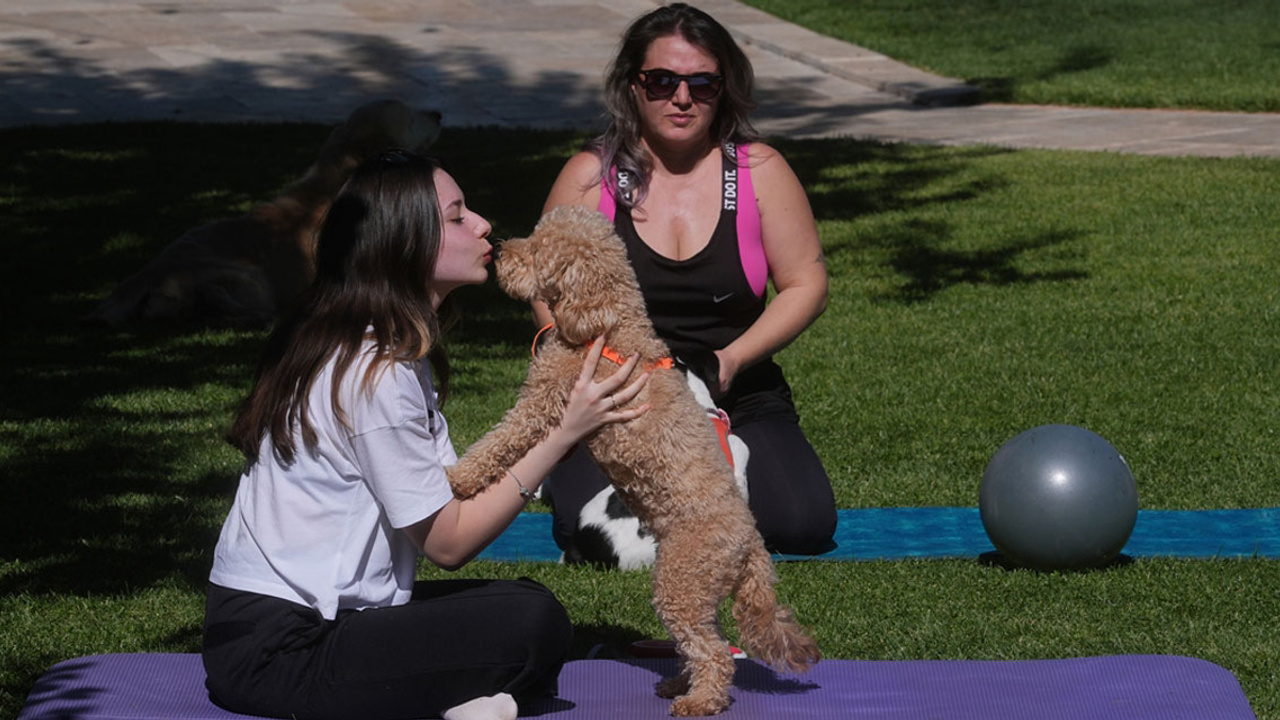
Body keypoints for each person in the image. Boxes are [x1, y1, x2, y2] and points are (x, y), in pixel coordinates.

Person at [202, 150, 650, 720]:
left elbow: (451, 496)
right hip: (283, 651)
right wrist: (563, 434)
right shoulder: (375, 372)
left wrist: (550, 422)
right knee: (532, 625)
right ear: (405, 242)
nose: (484, 224)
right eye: (459, 216)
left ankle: (460, 700)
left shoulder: (375, 346)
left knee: (529, 603)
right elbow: (448, 544)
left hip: (290, 629)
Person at [537, 2, 837, 559]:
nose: (682, 97)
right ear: (633, 86)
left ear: (724, 89)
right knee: (600, 536)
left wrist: (732, 358)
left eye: (702, 83)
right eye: (662, 81)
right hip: (615, 395)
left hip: (734, 388)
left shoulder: (758, 172)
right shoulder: (590, 177)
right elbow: (544, 289)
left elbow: (806, 284)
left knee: (802, 526)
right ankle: (562, 471)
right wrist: (594, 374)